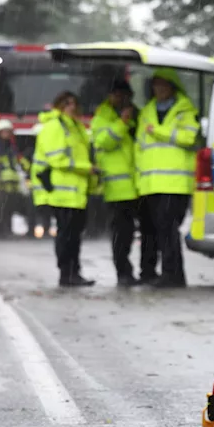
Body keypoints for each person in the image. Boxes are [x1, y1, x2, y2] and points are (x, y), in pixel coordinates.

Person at [135, 68, 199, 288]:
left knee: (168, 229)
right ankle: (165, 274)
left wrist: (159, 131)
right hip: (151, 184)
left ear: (172, 87)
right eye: (156, 85)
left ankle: (173, 275)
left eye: (163, 85)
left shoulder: (185, 111)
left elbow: (189, 138)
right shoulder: (147, 112)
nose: (159, 89)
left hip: (176, 183)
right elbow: (140, 148)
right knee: (158, 230)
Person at [91, 79, 156, 286]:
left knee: (149, 231)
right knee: (122, 234)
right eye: (117, 95)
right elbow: (103, 142)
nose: (122, 99)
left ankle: (148, 271)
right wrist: (122, 122)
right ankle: (124, 274)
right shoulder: (103, 117)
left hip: (141, 185)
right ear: (110, 96)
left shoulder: (140, 114)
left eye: (125, 95)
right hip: (118, 188)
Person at [33, 91, 95, 287]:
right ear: (59, 105)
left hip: (76, 191)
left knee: (74, 235)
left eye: (74, 103)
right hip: (61, 192)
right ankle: (66, 273)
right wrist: (87, 169)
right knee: (66, 234)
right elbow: (57, 159)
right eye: (67, 103)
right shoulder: (54, 126)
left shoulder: (75, 127)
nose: (72, 107)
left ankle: (74, 272)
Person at [0, 119, 30, 238]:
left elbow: (17, 160)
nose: (7, 134)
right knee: (1, 209)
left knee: (10, 208)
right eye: (4, 132)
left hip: (13, 182)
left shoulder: (11, 146)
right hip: (1, 182)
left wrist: (27, 167)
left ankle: (8, 229)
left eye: (8, 132)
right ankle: (1, 230)